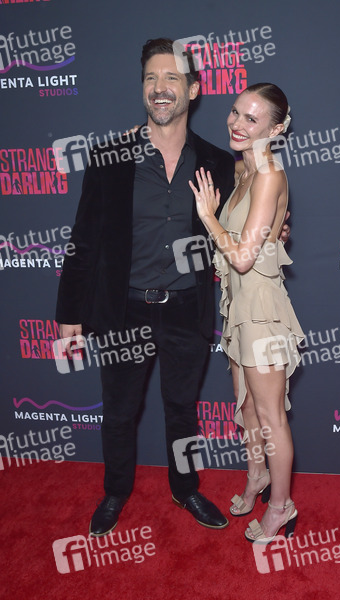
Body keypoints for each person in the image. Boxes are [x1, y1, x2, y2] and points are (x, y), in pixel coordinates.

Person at [56, 38, 236, 535]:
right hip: (124, 310)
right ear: (143, 88)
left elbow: (245, 221)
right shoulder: (110, 156)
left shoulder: (218, 162)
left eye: (171, 78)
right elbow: (83, 240)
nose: (160, 88)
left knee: (182, 411)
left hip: (186, 308)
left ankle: (186, 488)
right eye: (151, 78)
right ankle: (115, 491)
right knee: (118, 413)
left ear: (192, 90)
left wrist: (276, 227)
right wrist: (69, 314)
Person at [189, 83, 304, 543]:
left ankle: (281, 506)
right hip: (237, 307)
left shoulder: (270, 174)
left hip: (261, 311)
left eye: (251, 119)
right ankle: (257, 476)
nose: (237, 123)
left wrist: (209, 216)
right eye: (236, 112)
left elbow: (241, 258)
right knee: (248, 406)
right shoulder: (243, 169)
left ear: (276, 129)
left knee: (271, 415)